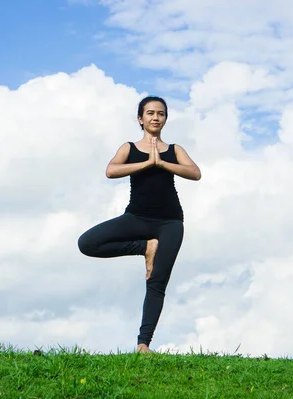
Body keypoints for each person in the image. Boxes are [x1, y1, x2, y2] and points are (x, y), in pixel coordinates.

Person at [77, 96, 202, 353]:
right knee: (87, 243)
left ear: (166, 119)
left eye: (161, 113)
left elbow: (195, 173)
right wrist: (147, 163)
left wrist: (162, 163)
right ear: (140, 119)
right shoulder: (129, 147)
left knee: (157, 282)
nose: (156, 117)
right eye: (150, 113)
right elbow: (111, 170)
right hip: (135, 218)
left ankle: (143, 344)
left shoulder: (174, 150)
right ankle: (144, 247)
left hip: (170, 223)